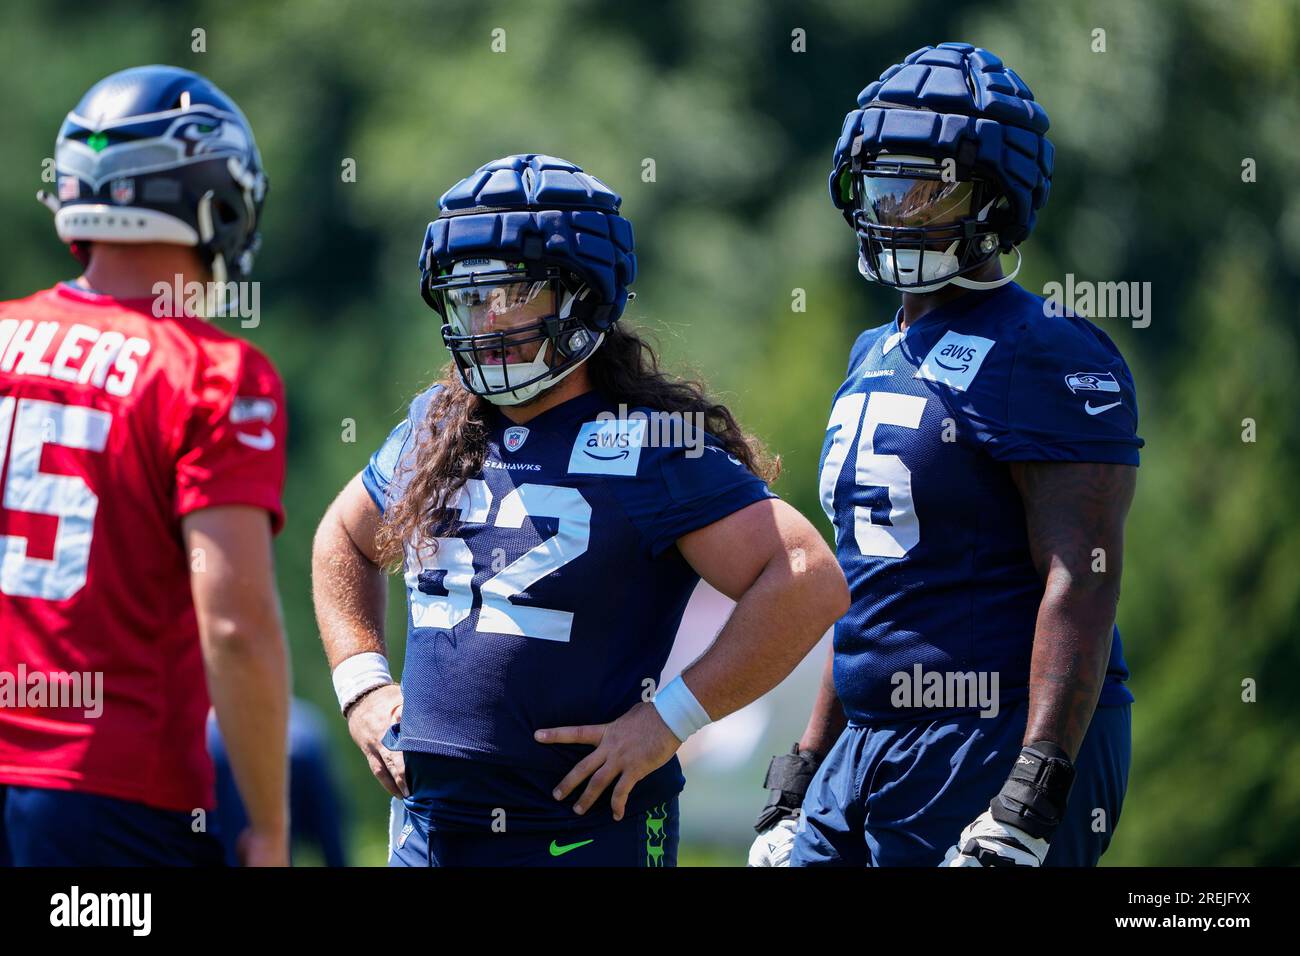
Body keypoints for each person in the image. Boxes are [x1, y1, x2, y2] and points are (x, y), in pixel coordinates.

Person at [313, 153, 848, 867]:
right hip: (430, 828)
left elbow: (807, 576)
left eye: (512, 294)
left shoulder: (647, 444)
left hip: (581, 833)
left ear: (583, 297)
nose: (487, 319)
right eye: (470, 298)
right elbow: (341, 541)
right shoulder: (435, 425)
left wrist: (668, 721)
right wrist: (362, 687)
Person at [749, 42, 1142, 867]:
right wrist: (802, 773)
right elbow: (871, 589)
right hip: (869, 744)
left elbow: (1085, 576)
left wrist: (1034, 786)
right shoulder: (873, 349)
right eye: (886, 184)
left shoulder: (1046, 349)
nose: (898, 209)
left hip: (987, 737)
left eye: (930, 189)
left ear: (996, 197)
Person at [0, 65, 290, 866]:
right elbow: (235, 625)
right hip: (109, 799)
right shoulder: (214, 373)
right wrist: (268, 825)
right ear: (213, 198)